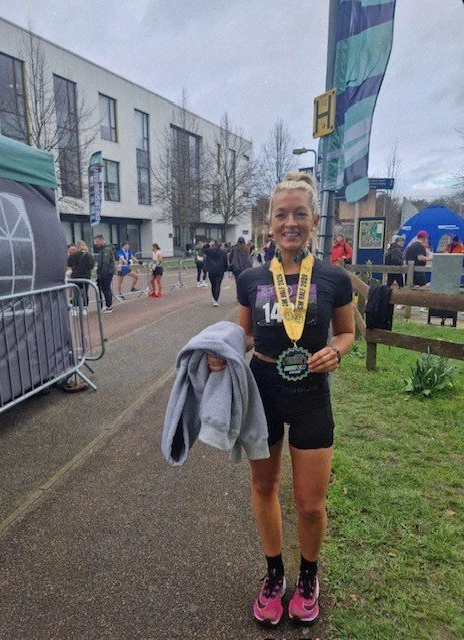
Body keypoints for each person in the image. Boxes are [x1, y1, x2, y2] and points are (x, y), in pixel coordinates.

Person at [207, 172, 355, 626]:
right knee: (264, 487)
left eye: (299, 214)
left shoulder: (334, 277)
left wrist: (337, 351)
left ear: (314, 221)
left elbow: (347, 332)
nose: (290, 222)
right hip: (263, 391)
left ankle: (308, 577)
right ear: (269, 223)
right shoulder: (251, 277)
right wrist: (223, 352)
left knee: (310, 503)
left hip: (311, 394)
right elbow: (246, 334)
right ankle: (274, 574)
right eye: (281, 215)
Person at [67, 240, 95, 314]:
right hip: (86, 277)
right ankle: (85, 309)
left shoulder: (73, 256)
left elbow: (69, 264)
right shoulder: (89, 256)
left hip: (75, 277)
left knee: (76, 293)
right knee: (85, 293)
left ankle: (75, 309)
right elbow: (91, 266)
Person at [94, 234, 116, 312]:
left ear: (101, 240)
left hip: (106, 273)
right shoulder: (104, 249)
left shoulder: (106, 249)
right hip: (106, 272)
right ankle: (108, 305)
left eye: (97, 241)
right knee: (105, 289)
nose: (96, 243)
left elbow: (105, 262)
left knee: (106, 289)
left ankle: (109, 306)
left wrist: (102, 274)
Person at [202, 240, 228, 306]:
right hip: (220, 270)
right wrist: (226, 269)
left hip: (211, 270)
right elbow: (225, 262)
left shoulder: (210, 251)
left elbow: (203, 250)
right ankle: (216, 300)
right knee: (218, 285)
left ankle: (214, 298)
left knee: (213, 285)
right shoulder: (223, 252)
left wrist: (207, 244)